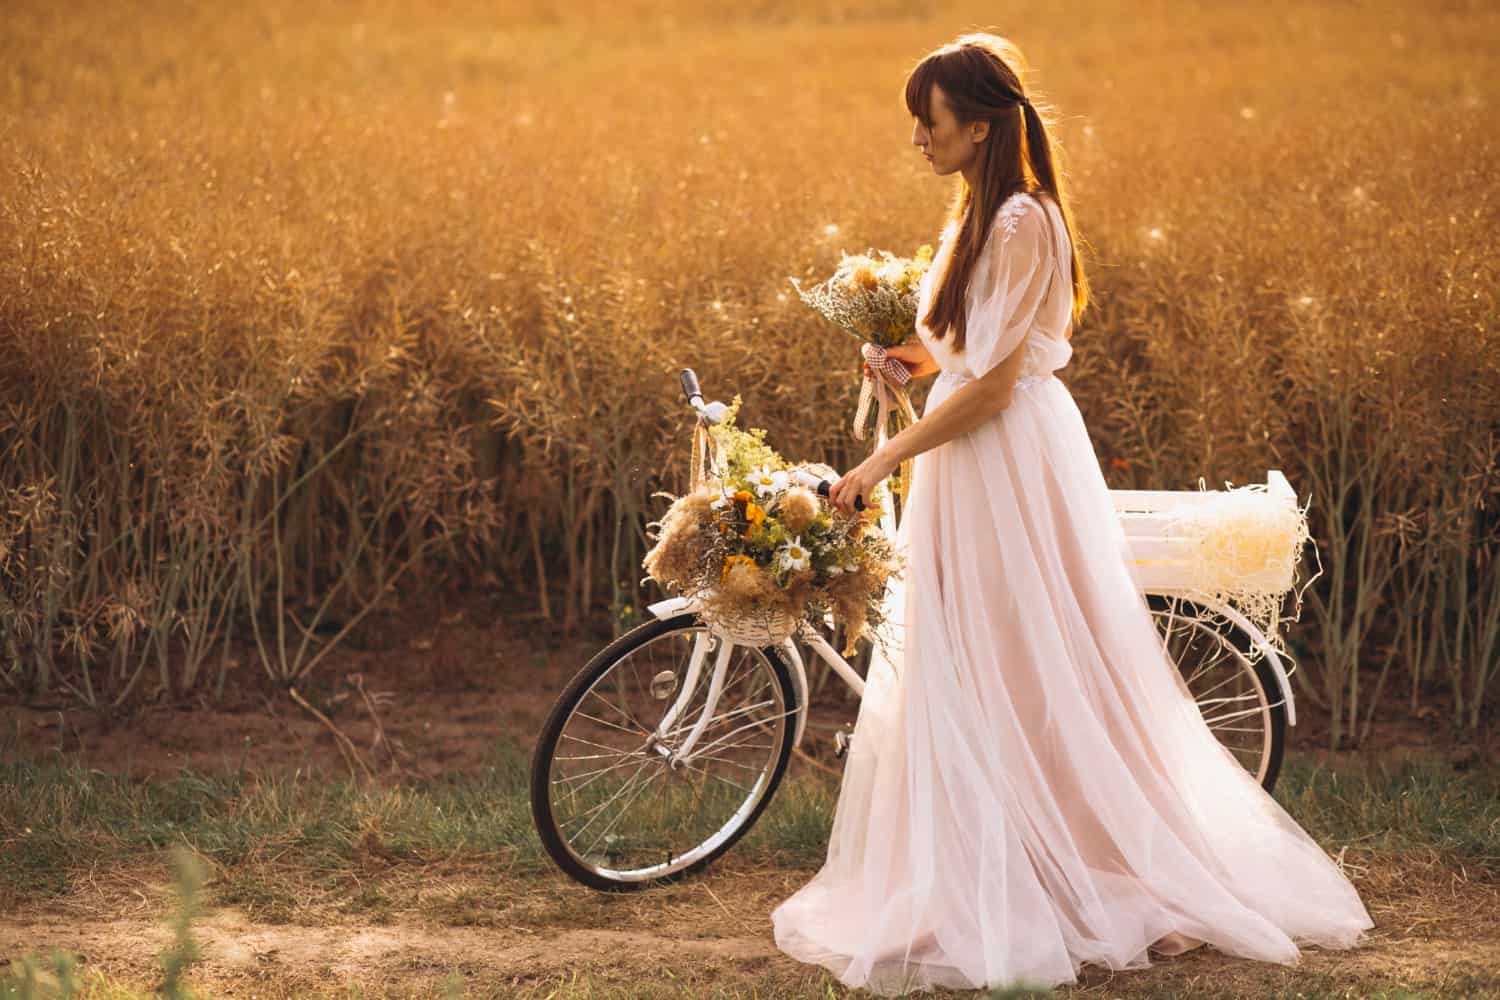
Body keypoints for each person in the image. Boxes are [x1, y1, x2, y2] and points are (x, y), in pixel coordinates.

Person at [770, 33, 1374, 996]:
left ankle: (1073, 870)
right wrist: (908, 361)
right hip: (969, 459)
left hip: (1005, 460)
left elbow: (1000, 382)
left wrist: (882, 456)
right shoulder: (980, 212)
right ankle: (1003, 858)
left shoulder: (1021, 219)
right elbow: (969, 348)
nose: (916, 141)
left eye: (927, 123)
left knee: (1022, 655)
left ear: (976, 124)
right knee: (977, 654)